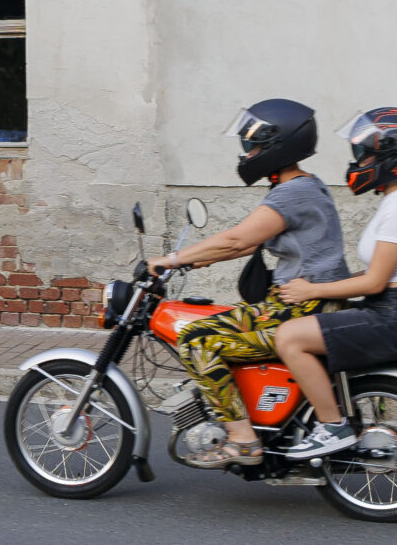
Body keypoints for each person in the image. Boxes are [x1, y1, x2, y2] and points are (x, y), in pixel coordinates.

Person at [147, 99, 350, 467]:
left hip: (298, 308)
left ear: (278, 145)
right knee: (223, 322)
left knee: (196, 339)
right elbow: (250, 242)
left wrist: (171, 259)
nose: (248, 153)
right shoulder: (306, 186)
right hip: (303, 304)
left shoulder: (293, 193)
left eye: (253, 145)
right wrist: (201, 259)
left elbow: (238, 239)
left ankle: (242, 440)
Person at [269, 108, 397, 460]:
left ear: (392, 155)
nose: (359, 160)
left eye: (366, 152)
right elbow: (377, 276)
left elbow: (375, 282)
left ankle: (332, 426)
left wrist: (311, 290)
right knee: (309, 328)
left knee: (290, 337)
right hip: (396, 309)